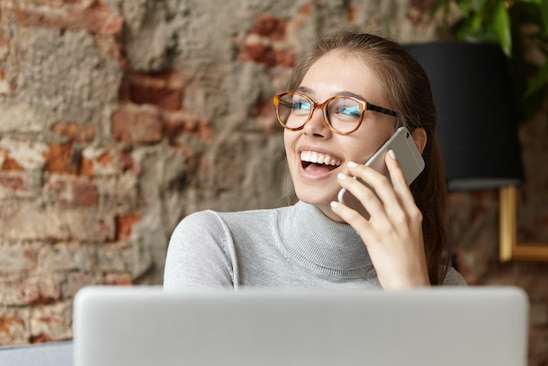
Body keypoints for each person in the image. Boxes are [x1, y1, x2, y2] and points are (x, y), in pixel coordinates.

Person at [163, 30, 466, 289]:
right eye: (301, 104)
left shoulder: (443, 288)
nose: (311, 126)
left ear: (409, 144)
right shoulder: (215, 244)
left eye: (346, 110)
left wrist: (411, 293)